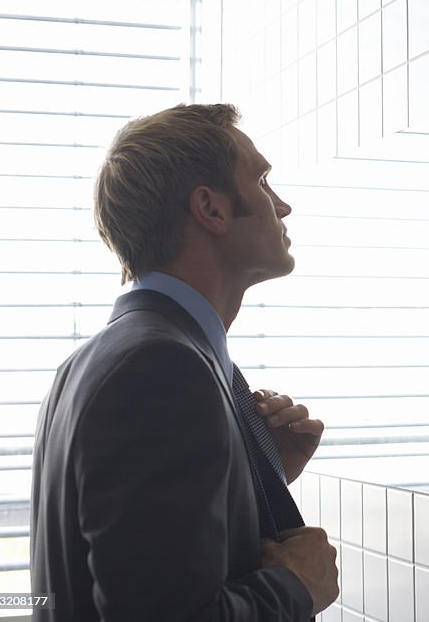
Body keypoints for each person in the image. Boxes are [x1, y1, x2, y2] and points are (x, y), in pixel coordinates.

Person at [30, 104, 339, 620]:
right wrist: (295, 586)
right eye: (262, 181)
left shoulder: (100, 360)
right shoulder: (158, 369)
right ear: (211, 210)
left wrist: (252, 474)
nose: (282, 206)